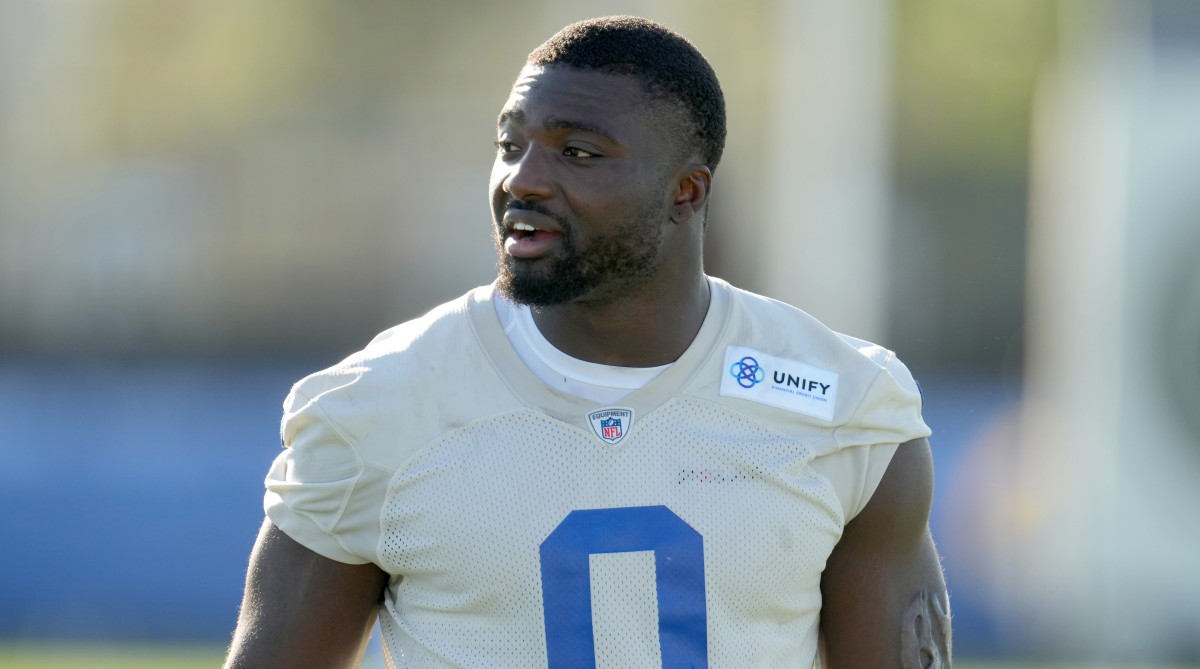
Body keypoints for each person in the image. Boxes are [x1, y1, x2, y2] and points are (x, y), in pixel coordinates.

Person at [224, 15, 951, 669]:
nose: (523, 180)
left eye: (577, 152)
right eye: (511, 144)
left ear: (686, 193)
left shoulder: (846, 408)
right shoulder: (379, 406)